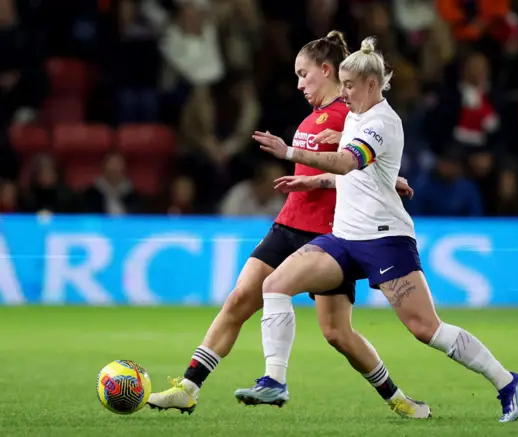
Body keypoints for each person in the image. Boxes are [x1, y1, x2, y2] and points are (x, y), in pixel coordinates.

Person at [235, 37, 518, 423]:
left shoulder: (382, 123)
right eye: (341, 85)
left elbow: (347, 164)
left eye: (350, 86)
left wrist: (289, 153)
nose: (343, 93)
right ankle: (275, 380)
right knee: (274, 286)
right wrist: (314, 182)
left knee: (426, 328)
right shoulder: (356, 114)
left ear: (372, 85)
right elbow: (358, 179)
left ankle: (508, 381)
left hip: (385, 239)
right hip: (343, 238)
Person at [148, 30, 429, 419]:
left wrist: (392, 178)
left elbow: (368, 160)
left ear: (327, 70)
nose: (298, 84)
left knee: (337, 334)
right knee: (238, 300)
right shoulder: (315, 116)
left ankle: (399, 400)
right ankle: (189, 387)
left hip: (329, 236)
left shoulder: (355, 114)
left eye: (304, 74)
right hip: (288, 224)